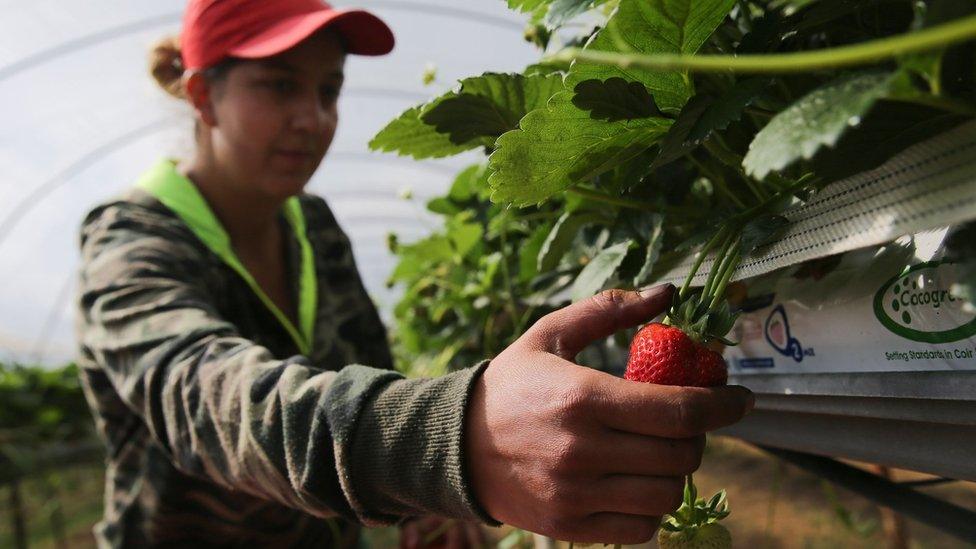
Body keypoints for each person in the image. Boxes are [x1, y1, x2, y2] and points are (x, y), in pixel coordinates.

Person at [74, 0, 755, 547]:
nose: (313, 119)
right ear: (202, 96)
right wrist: (446, 443)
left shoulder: (314, 229)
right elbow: (206, 398)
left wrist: (417, 501)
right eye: (279, 85)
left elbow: (370, 366)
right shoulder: (131, 240)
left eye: (329, 89)